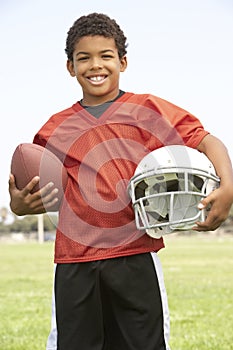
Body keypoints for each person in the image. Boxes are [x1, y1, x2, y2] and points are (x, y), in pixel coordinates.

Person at [9, 13, 233, 350]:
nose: (95, 65)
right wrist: (19, 205)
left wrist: (227, 186)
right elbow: (30, 188)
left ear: (123, 62)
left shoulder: (148, 109)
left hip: (135, 255)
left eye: (106, 56)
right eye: (83, 58)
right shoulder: (54, 128)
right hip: (75, 262)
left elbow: (206, 140)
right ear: (70, 67)